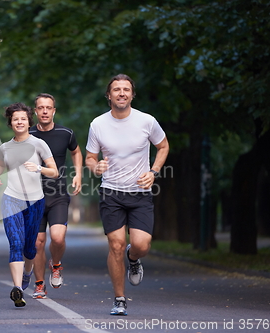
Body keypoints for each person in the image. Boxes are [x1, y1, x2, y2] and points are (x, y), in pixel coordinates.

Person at [85, 74, 169, 316]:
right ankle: (119, 299)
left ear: (132, 94)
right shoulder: (98, 124)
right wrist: (95, 166)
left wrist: (153, 171)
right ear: (108, 95)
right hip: (111, 192)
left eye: (126, 89)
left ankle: (134, 258)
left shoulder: (147, 121)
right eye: (116, 89)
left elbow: (163, 146)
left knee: (141, 245)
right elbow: (90, 157)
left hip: (140, 193)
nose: (121, 93)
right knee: (116, 244)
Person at [0, 102, 59, 307]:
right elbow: (0, 165)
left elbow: (54, 171)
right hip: (11, 199)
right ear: (10, 123)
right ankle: (17, 288)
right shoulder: (5, 147)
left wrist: (39, 168)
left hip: (35, 201)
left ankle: (27, 275)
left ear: (29, 121)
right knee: (15, 244)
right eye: (15, 119)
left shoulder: (38, 144)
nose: (19, 122)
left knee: (30, 249)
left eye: (22, 118)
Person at [28, 93, 82, 299]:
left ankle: (56, 264)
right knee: (37, 243)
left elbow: (76, 152)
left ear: (53, 111)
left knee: (58, 239)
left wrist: (78, 174)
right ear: (35, 111)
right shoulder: (27, 135)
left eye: (48, 108)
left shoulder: (65, 133)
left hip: (58, 194)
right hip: (33, 196)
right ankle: (40, 284)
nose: (44, 111)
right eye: (40, 108)